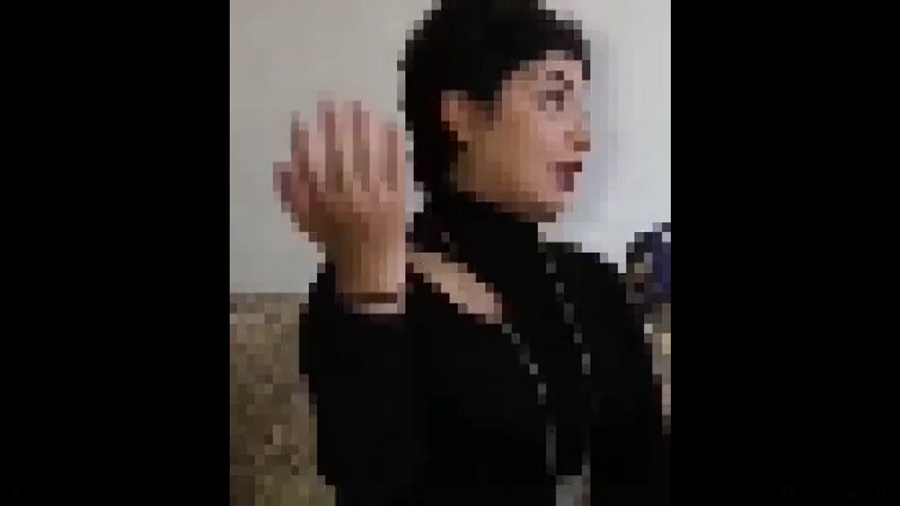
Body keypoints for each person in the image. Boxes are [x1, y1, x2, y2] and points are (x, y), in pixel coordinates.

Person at [272, 1, 669, 504]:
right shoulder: (371, 286)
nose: (583, 136)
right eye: (554, 99)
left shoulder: (595, 282)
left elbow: (647, 467)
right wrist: (371, 296)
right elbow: (374, 482)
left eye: (581, 107)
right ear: (460, 115)